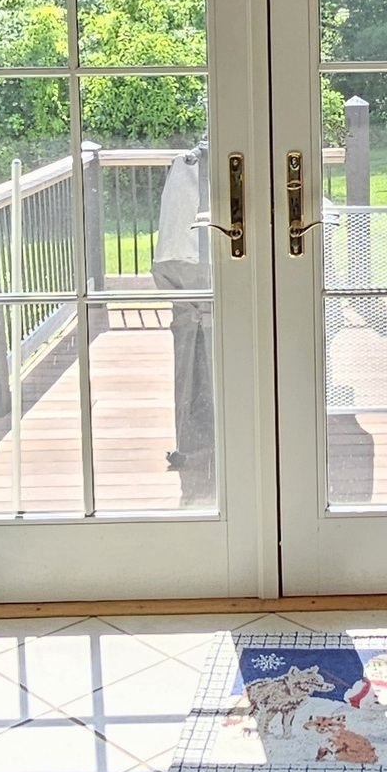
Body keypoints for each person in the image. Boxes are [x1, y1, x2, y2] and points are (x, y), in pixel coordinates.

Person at [153, 142, 215, 508]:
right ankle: (201, 440)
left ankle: (202, 440)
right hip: (194, 287)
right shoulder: (189, 168)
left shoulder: (186, 167)